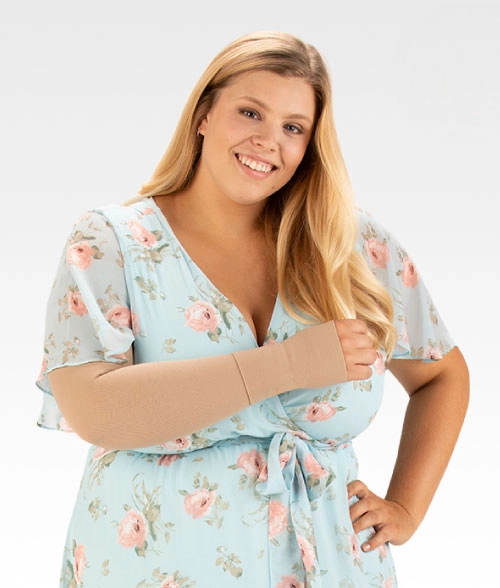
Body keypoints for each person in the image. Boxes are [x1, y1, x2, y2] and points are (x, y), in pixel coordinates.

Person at [36, 30, 469, 588]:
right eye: (250, 113)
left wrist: (406, 507)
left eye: (293, 127)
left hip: (334, 569)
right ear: (203, 115)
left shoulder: (350, 246)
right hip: (149, 571)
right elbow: (93, 410)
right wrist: (286, 365)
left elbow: (441, 375)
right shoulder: (112, 243)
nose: (268, 141)